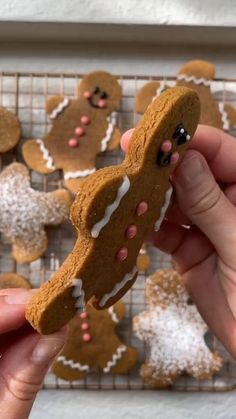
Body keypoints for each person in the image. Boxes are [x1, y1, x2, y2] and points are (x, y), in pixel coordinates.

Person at [1, 124, 236, 417]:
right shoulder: (126, 181)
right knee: (82, 280)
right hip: (103, 255)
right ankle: (62, 302)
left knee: (102, 281)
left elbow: (155, 219)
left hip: (123, 262)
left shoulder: (162, 190)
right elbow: (89, 209)